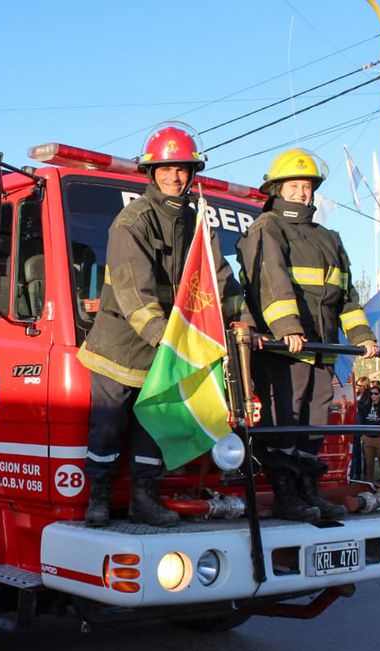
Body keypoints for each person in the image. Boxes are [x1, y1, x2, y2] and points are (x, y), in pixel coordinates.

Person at [77, 123, 248, 527]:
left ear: (192, 174)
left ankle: (144, 500)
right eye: (166, 169)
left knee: (155, 425)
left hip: (166, 347)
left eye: (182, 169)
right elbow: (134, 291)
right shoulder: (131, 222)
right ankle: (97, 500)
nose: (174, 177)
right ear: (152, 174)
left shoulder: (196, 223)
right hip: (121, 348)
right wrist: (162, 336)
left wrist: (244, 320)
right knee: (108, 428)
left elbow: (218, 277)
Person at [237, 148, 378, 521]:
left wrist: (362, 335)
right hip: (285, 350)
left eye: (308, 186)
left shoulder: (329, 238)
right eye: (295, 186)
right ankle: (286, 496)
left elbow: (345, 293)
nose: (303, 193)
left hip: (321, 349)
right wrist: (287, 328)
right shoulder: (268, 228)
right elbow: (272, 282)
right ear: (278, 189)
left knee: (312, 428)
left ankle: (308, 491)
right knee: (284, 424)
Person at [358, 385, 380, 485]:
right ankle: (370, 482)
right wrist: (363, 434)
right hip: (368, 437)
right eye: (371, 393)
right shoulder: (365, 405)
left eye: (375, 393)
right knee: (369, 463)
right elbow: (362, 419)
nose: (373, 396)